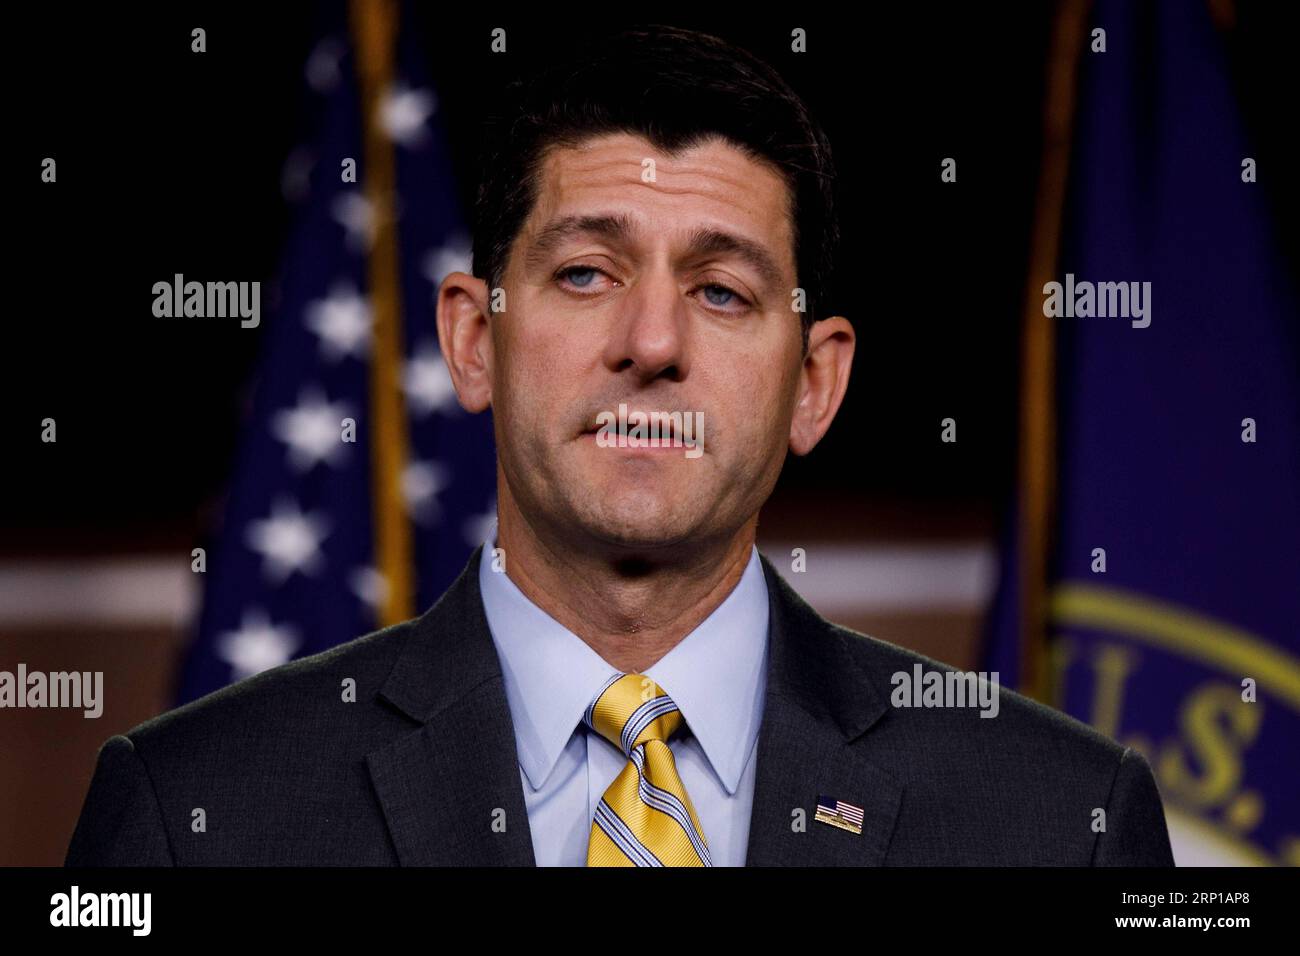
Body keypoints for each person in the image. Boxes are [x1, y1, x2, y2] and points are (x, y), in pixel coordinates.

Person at [66, 24, 1174, 867]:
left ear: (816, 382)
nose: (651, 342)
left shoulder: (1058, 821)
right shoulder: (195, 811)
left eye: (723, 290)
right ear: (470, 338)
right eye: (586, 273)